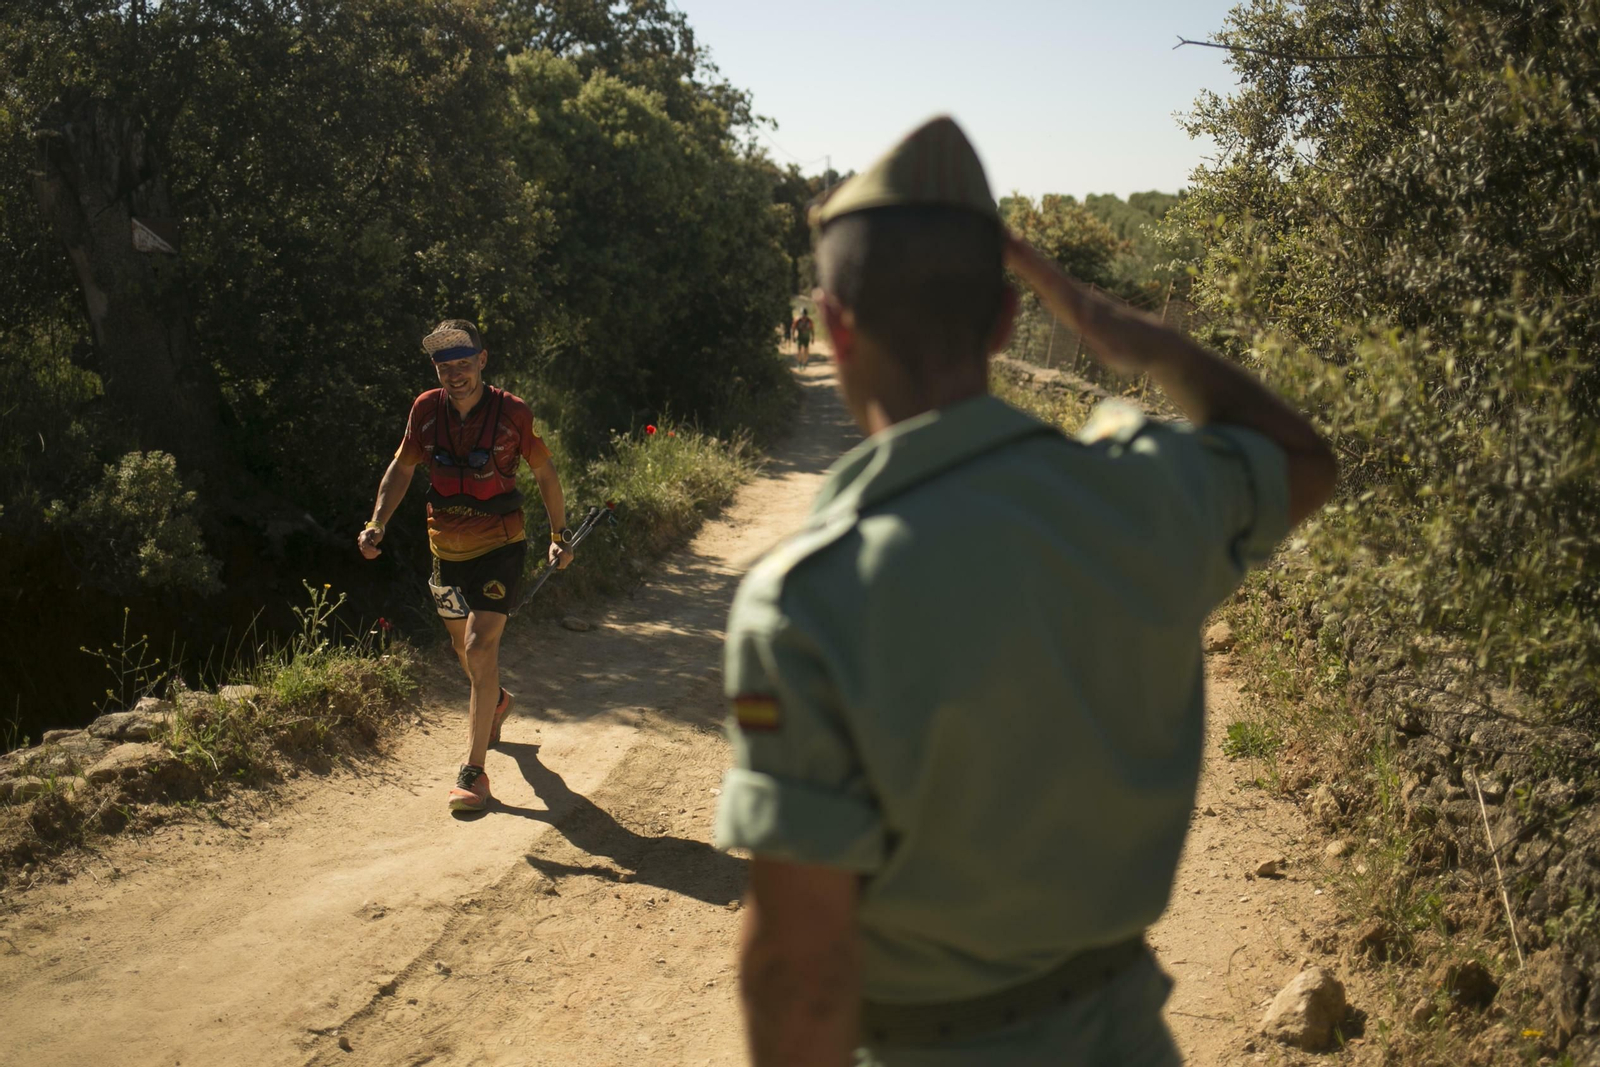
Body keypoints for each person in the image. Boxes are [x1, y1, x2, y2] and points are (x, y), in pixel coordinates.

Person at [712, 117, 1337, 1066]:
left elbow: (804, 976)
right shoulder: (1146, 491)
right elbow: (1305, 460)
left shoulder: (807, 602)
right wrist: (1143, 340)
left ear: (833, 325)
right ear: (1007, 322)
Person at [357, 319, 575, 813]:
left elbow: (544, 472)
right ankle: (495, 701)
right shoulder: (425, 410)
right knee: (464, 651)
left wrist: (560, 536)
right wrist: (377, 523)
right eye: (443, 366)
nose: (453, 374)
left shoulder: (512, 413)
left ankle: (473, 773)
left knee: (479, 647)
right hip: (445, 552)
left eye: (462, 363)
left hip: (501, 547)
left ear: (482, 359)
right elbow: (403, 468)